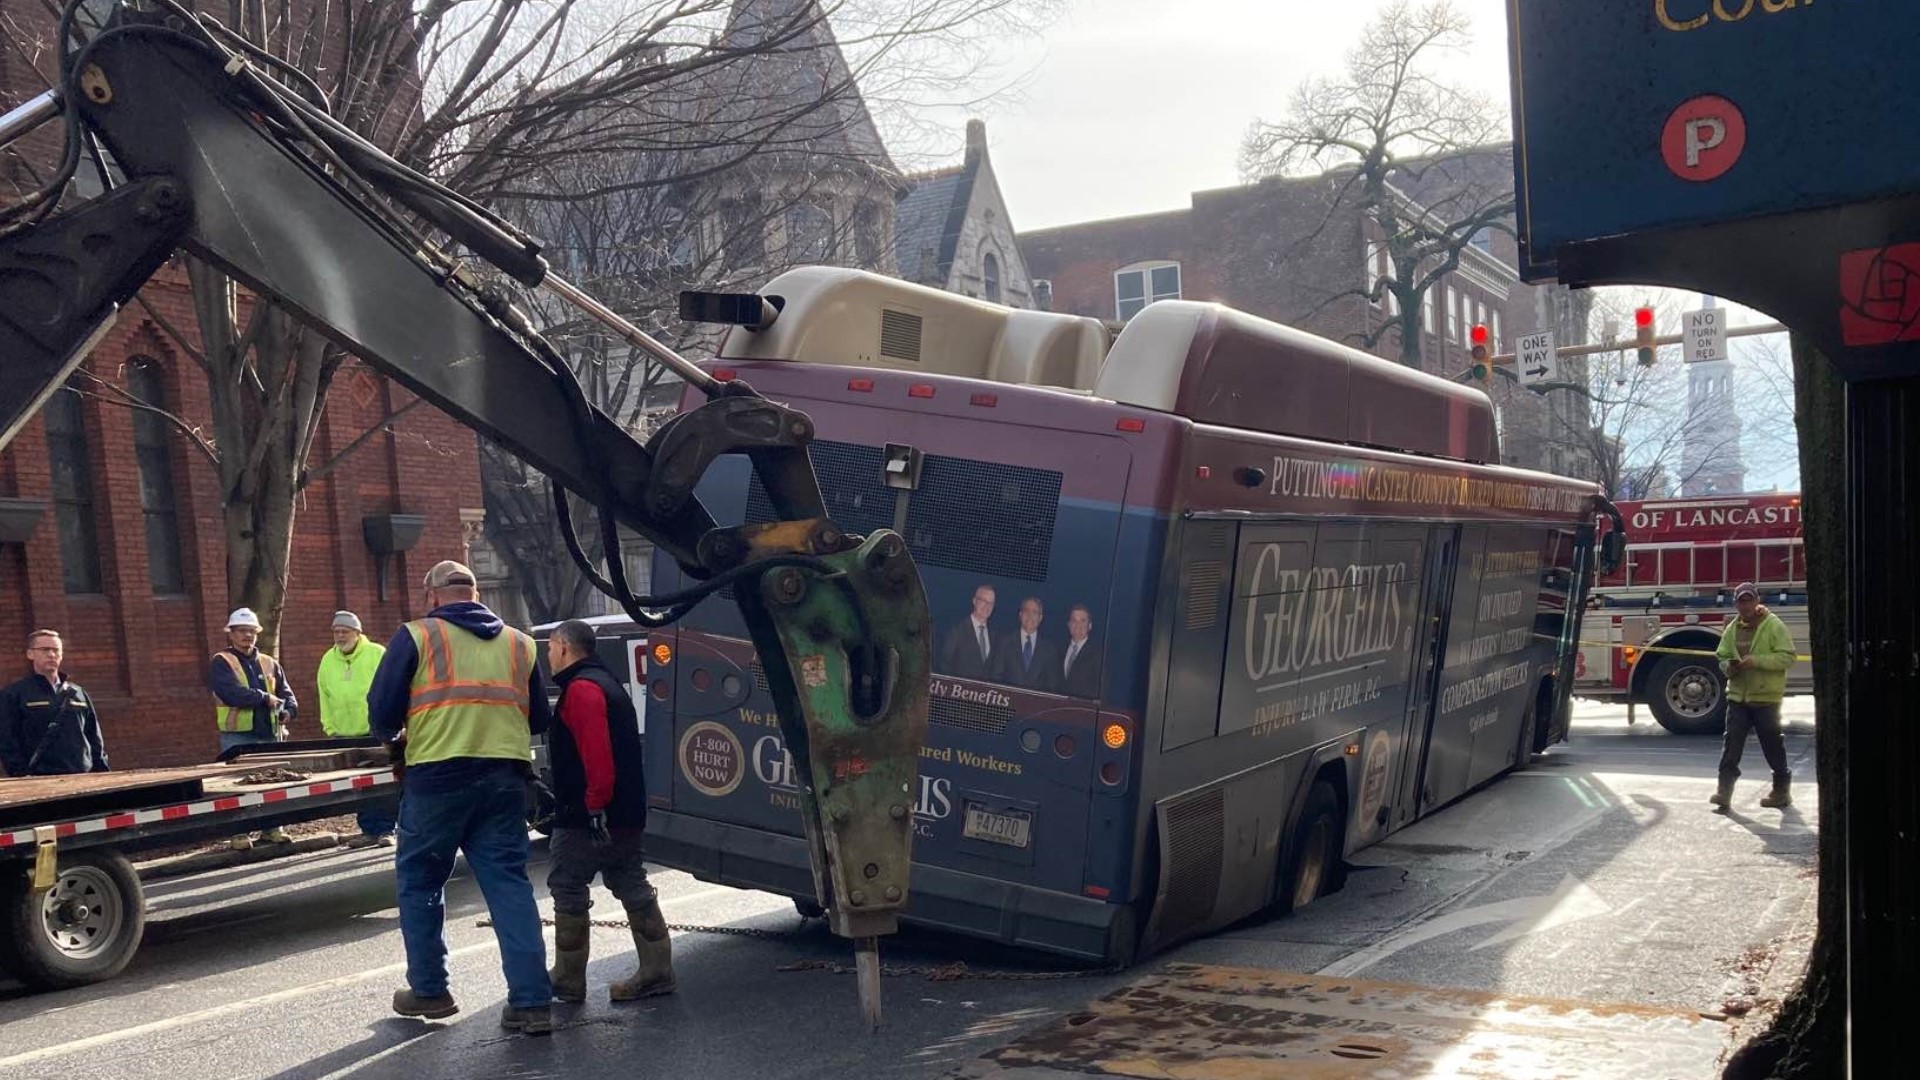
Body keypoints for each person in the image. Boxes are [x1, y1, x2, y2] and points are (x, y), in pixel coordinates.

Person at [367, 560, 554, 1034]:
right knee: (509, 885)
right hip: (504, 778)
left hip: (438, 776)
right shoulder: (520, 642)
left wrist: (396, 734)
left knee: (421, 882)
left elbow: (383, 711)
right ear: (476, 593)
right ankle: (532, 1001)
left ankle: (430, 990)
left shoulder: (417, 636)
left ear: (432, 595)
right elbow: (537, 719)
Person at [543, 619, 675, 1005]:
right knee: (630, 881)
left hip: (590, 816)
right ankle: (657, 970)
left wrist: (593, 805)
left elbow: (596, 755)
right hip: (626, 811)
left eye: (550, 649)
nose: (548, 658)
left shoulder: (582, 690)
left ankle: (568, 978)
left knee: (567, 886)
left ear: (563, 646)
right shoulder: (606, 682)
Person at [210, 607, 295, 845]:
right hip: (238, 736)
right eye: (242, 631)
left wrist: (288, 711)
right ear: (231, 634)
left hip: (268, 734)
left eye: (251, 631)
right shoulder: (222, 662)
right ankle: (240, 833)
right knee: (237, 785)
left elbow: (286, 694)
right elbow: (231, 693)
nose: (247, 636)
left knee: (272, 782)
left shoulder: (269, 663)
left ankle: (272, 829)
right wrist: (264, 698)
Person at [1712, 582, 1799, 810]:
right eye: (1741, 601)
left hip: (1765, 698)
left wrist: (1756, 661)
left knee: (1772, 745)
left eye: (1749, 600)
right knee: (1731, 745)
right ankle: (1724, 792)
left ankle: (1781, 791)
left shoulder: (1773, 625)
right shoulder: (1732, 628)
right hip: (1738, 698)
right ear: (1735, 604)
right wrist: (1728, 666)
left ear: (1757, 601)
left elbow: (1788, 657)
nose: (1745, 605)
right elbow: (1721, 655)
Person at [316, 611, 394, 847]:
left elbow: (391, 688)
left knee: (381, 783)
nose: (340, 636)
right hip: (344, 733)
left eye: (345, 631)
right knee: (358, 786)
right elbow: (324, 695)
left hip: (374, 731)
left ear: (357, 633)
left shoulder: (377, 654)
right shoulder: (328, 659)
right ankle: (368, 830)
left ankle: (387, 829)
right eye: (336, 632)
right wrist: (329, 726)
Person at [0, 630, 108, 777]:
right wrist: (20, 774)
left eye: (56, 650)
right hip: (40, 779)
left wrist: (101, 772)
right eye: (45, 650)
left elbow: (94, 737)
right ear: (30, 654)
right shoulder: (15, 694)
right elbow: (7, 740)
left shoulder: (78, 693)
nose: (51, 655)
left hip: (83, 776)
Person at [995, 596, 1060, 692]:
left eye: (1034, 612)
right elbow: (996, 677)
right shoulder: (1005, 642)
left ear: (1040, 618)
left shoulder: (1049, 649)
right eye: (1026, 611)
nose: (1030, 615)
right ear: (1020, 614)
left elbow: (1052, 685)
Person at [939, 584, 998, 680]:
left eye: (991, 603)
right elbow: (944, 664)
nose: (987, 606)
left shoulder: (994, 637)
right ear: (974, 601)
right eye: (984, 601)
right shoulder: (956, 631)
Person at [1060, 604, 1103, 699]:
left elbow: (1101, 693)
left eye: (1083, 621)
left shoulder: (1099, 655)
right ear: (1069, 624)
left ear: (1090, 626)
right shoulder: (1058, 650)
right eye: (1074, 620)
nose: (1078, 624)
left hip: (1083, 710)